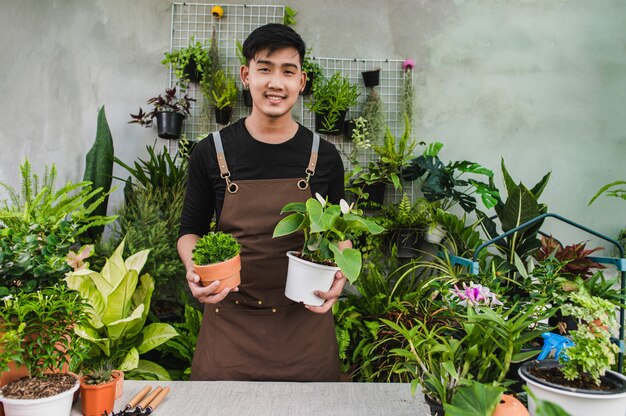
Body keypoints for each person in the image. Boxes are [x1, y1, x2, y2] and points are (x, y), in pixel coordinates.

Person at [177, 23, 349, 382]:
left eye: (288, 71)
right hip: (229, 326)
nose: (276, 83)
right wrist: (197, 272)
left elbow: (339, 234)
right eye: (265, 69)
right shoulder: (212, 152)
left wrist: (340, 274)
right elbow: (190, 232)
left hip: (305, 327)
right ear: (246, 75)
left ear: (302, 81)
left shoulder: (325, 156)